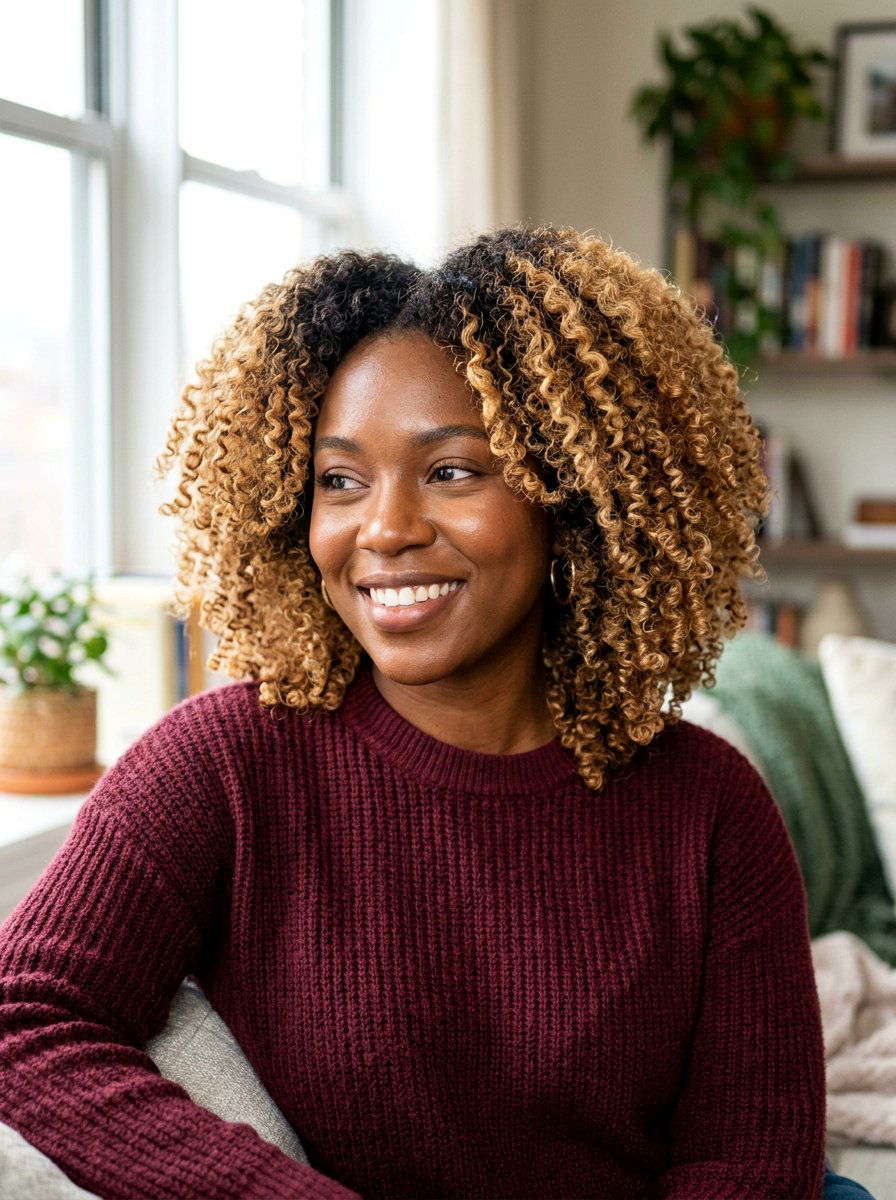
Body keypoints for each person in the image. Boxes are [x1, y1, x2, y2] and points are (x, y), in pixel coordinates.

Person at [0, 224, 865, 1198]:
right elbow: (26, 1014)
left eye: (451, 470)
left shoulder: (710, 807)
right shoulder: (225, 762)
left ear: (572, 500)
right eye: (339, 480)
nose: (385, 529)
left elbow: (747, 1156)